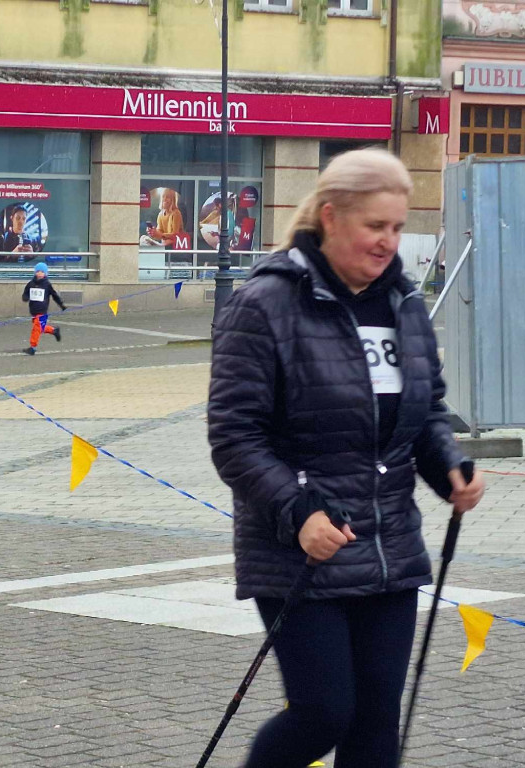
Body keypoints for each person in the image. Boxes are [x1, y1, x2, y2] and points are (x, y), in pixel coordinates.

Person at [207, 148, 486, 768]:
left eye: (396, 228)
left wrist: (449, 468)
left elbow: (425, 411)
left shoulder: (404, 305)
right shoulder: (265, 304)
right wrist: (299, 510)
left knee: (375, 721)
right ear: (331, 218)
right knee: (324, 712)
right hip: (300, 547)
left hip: (388, 543)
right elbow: (234, 435)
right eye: (374, 227)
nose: (389, 242)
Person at [21, 261, 65, 355]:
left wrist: (61, 305)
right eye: (38, 271)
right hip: (33, 310)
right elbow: (26, 293)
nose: (40, 273)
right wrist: (25, 297)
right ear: (35, 272)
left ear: (45, 273)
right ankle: (54, 331)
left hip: (42, 310)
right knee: (40, 328)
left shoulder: (47, 284)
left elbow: (54, 295)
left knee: (36, 329)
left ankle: (33, 348)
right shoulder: (30, 283)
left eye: (42, 272)